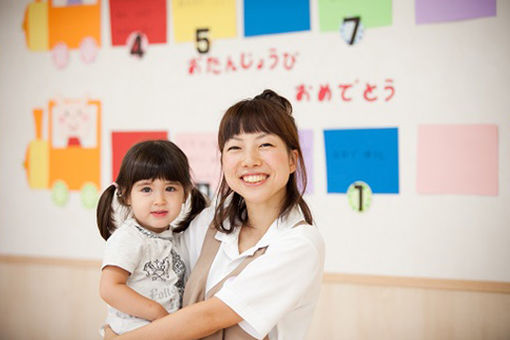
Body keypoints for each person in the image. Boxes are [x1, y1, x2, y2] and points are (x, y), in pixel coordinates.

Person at [104, 89, 325, 340]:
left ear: (292, 160)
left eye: (265, 145)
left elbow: (209, 317)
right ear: (222, 160)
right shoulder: (212, 222)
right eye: (235, 148)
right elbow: (157, 269)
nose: (249, 160)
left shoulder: (300, 244)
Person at [97, 140, 207, 334]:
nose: (160, 200)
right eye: (146, 189)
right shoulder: (129, 238)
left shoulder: (176, 238)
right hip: (132, 333)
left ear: (185, 194)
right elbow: (109, 288)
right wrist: (158, 314)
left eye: (170, 189)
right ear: (126, 195)